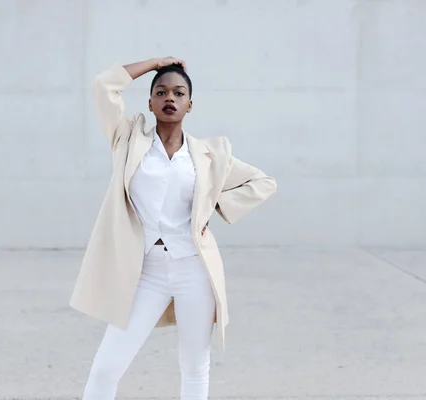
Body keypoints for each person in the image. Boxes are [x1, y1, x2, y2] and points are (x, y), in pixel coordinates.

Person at [69, 57, 277, 400]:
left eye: (179, 93)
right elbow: (104, 85)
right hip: (145, 271)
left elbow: (263, 182)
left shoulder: (211, 154)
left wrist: (215, 205)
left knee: (195, 366)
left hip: (194, 269)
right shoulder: (128, 139)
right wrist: (157, 63)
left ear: (189, 104)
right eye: (161, 91)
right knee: (106, 367)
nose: (170, 98)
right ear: (149, 102)